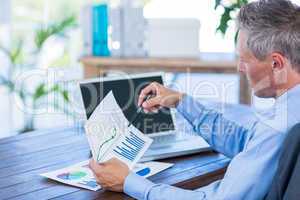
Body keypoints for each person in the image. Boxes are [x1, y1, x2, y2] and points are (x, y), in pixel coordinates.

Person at [89, 0, 300, 199]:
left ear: (276, 64)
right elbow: (249, 144)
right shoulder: (287, 114)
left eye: (244, 60)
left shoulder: (277, 127)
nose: (240, 67)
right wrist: (181, 101)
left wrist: (128, 182)